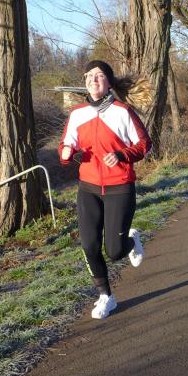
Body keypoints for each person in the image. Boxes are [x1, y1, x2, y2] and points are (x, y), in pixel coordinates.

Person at [59, 60, 153, 319]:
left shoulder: (122, 112)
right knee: (89, 245)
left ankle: (131, 241)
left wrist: (122, 155)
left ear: (109, 82)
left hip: (119, 187)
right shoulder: (77, 114)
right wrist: (66, 153)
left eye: (99, 75)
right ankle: (105, 297)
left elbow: (145, 145)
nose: (93, 79)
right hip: (88, 188)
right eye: (89, 75)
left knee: (114, 251)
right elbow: (66, 145)